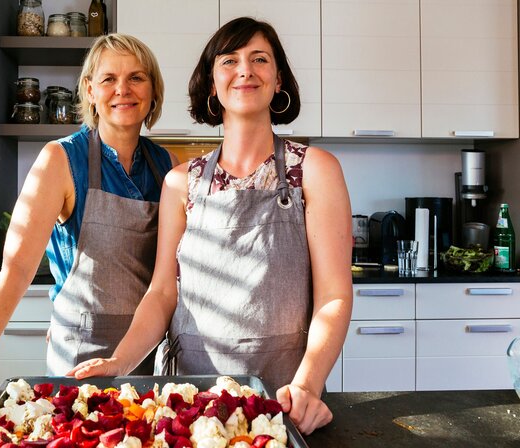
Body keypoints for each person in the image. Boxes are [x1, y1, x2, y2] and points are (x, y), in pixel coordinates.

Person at [68, 17, 353, 435]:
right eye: (230, 60)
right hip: (191, 403)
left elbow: (334, 295)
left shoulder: (313, 170)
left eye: (260, 59)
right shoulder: (181, 183)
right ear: (211, 83)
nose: (245, 70)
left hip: (284, 398)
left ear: (278, 81)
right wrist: (119, 362)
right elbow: (163, 292)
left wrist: (307, 385)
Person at [0, 34, 177, 424]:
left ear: (153, 89)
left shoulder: (166, 164)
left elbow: (172, 278)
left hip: (149, 359)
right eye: (108, 79)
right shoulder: (61, 160)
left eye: (137, 77)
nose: (123, 89)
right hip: (80, 365)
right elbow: (15, 270)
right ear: (89, 89)